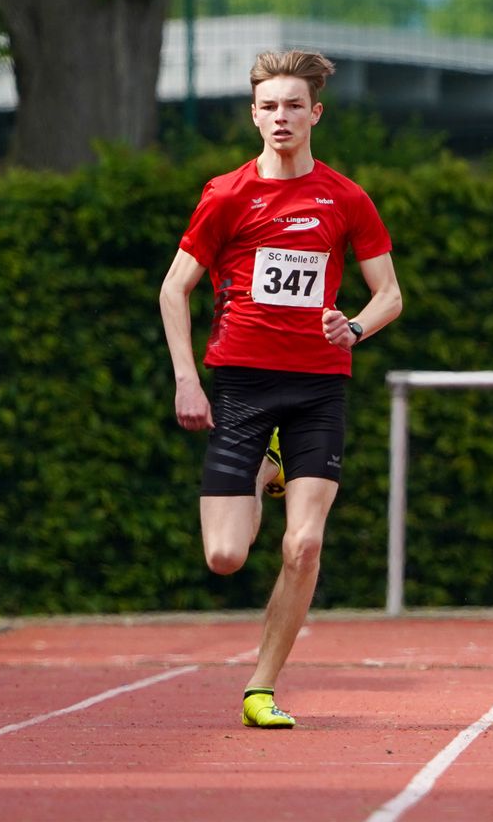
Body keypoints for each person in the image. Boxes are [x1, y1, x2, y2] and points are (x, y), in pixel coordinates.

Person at [159, 50, 403, 729]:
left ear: (315, 112)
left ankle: (261, 688)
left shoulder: (344, 197)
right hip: (241, 388)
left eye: (294, 105)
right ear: (253, 116)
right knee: (225, 555)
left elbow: (390, 295)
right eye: (269, 106)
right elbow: (174, 288)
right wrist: (187, 378)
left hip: (319, 387)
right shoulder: (227, 195)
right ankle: (267, 469)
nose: (281, 117)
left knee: (303, 545)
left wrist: (351, 325)